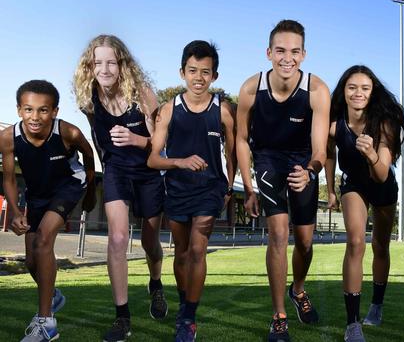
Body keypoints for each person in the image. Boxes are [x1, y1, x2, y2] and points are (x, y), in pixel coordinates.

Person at [236, 19, 330, 342]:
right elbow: (240, 139)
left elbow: (320, 149)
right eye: (280, 50)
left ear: (303, 54)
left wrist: (311, 171)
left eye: (293, 51)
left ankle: (298, 290)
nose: (286, 58)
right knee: (278, 234)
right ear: (269, 53)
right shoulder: (251, 88)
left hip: (302, 163)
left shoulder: (318, 91)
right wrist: (248, 186)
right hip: (267, 160)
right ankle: (279, 317)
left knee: (304, 241)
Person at [73, 35, 167, 342]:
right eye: (98, 62)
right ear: (90, 66)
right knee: (116, 238)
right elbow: (98, 136)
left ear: (122, 64)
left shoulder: (143, 94)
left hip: (149, 171)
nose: (104, 68)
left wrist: (135, 139)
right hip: (116, 171)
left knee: (150, 242)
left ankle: (155, 283)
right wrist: (107, 164)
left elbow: (160, 143)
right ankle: (122, 318)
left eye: (111, 61)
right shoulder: (89, 99)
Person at [148, 40, 236, 342]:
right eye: (193, 71)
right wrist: (179, 161)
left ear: (215, 76)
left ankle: (188, 318)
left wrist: (228, 183)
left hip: (210, 190)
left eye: (206, 72)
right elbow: (153, 158)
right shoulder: (168, 111)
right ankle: (185, 302)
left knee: (198, 249)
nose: (199, 77)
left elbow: (233, 152)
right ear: (182, 72)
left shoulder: (223, 111)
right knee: (182, 253)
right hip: (177, 189)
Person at [1, 80, 96, 341]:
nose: (35, 116)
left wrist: (89, 192)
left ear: (54, 111)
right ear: (19, 109)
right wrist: (17, 212)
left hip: (68, 185)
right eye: (29, 109)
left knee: (44, 241)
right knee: (32, 260)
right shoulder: (8, 138)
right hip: (38, 193)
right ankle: (52, 295)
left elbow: (89, 157)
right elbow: (9, 179)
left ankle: (47, 323)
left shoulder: (69, 133)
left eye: (43, 110)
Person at [325, 65, 404, 342]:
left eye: (364, 88)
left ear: (372, 93)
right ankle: (352, 324)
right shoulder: (334, 124)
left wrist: (371, 153)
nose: (358, 93)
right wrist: (332, 189)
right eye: (352, 87)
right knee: (356, 242)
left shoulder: (384, 123)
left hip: (382, 183)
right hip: (353, 185)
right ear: (343, 91)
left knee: (380, 246)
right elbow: (328, 155)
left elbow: (382, 173)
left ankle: (377, 305)